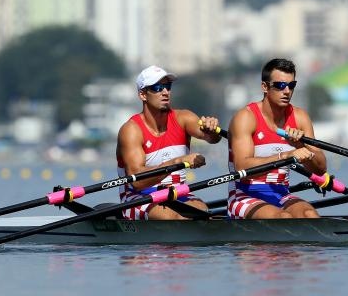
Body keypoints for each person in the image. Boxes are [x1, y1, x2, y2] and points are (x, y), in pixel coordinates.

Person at [116, 65, 221, 220]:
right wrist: (178, 161)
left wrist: (212, 130)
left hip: (178, 193)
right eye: (157, 88)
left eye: (167, 86)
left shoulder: (183, 118)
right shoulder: (131, 130)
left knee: (202, 212)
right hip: (137, 197)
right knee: (170, 217)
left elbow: (212, 139)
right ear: (143, 95)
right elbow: (138, 182)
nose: (165, 92)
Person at [227, 58, 327, 219]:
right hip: (243, 195)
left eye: (291, 85)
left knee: (310, 215)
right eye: (280, 85)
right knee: (283, 219)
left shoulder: (300, 117)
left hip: (281, 193)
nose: (287, 91)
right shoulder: (246, 117)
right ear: (264, 87)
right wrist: (285, 156)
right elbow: (242, 168)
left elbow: (320, 169)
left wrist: (301, 146)